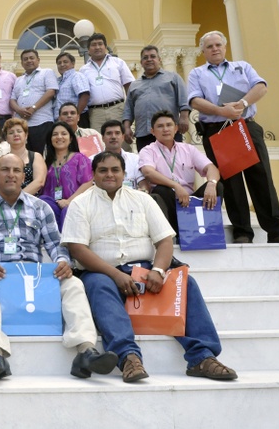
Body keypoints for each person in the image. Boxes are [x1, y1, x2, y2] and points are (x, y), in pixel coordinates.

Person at [62, 151, 238, 382]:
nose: (109, 174)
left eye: (115, 170)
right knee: (98, 286)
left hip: (143, 269)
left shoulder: (143, 199)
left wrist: (158, 270)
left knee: (186, 283)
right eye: (103, 170)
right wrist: (116, 275)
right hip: (102, 271)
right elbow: (78, 249)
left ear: (124, 173)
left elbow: (164, 240)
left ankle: (202, 357)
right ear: (93, 174)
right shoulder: (81, 204)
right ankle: (128, 357)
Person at [0, 154, 117, 380]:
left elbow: (56, 244)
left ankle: (85, 350)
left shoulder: (40, 207)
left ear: (23, 176)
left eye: (16, 170)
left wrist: (63, 262)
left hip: (34, 276)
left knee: (72, 282)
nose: (11, 175)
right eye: (5, 170)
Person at [188, 30, 279, 244]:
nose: (214, 49)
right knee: (231, 183)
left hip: (245, 126)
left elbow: (261, 86)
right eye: (209, 46)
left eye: (218, 45)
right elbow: (194, 100)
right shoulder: (197, 73)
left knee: (262, 178)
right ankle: (242, 232)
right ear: (203, 51)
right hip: (217, 129)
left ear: (224, 46)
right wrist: (221, 111)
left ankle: (277, 231)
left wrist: (243, 105)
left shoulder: (243, 67)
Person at [139, 110, 223, 236]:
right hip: (168, 199)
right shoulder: (148, 150)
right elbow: (148, 173)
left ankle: (207, 232)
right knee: (161, 190)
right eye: (160, 126)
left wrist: (211, 183)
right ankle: (177, 235)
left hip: (190, 199)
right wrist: (176, 186)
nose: (165, 129)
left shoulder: (188, 149)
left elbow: (211, 168)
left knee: (218, 186)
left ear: (176, 128)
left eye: (169, 125)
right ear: (153, 131)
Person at [93, 120, 167, 218]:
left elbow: (143, 185)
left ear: (123, 137)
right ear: (102, 138)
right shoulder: (91, 160)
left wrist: (143, 192)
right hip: (103, 202)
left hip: (132, 202)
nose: (113, 137)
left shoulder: (135, 158)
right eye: (109, 133)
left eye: (117, 133)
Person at [123, 45, 190, 152]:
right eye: (145, 57)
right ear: (141, 62)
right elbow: (128, 109)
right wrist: (126, 128)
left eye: (152, 56)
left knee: (172, 164)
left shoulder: (173, 78)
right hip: (143, 133)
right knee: (147, 165)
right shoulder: (134, 85)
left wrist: (184, 117)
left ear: (159, 59)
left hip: (168, 131)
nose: (149, 59)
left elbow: (183, 100)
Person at [41, 122, 93, 231]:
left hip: (75, 202)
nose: (59, 137)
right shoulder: (47, 163)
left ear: (71, 139)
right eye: (55, 134)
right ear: (50, 139)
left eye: (64, 134)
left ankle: (65, 244)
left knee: (68, 210)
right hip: (53, 204)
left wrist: (69, 201)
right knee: (42, 202)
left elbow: (88, 183)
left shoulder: (80, 158)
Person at [80, 33, 135, 134]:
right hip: (96, 113)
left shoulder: (118, 62)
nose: (97, 47)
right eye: (93, 45)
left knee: (121, 142)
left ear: (105, 47)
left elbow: (129, 86)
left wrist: (130, 109)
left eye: (100, 44)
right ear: (88, 50)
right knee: (99, 145)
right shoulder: (83, 70)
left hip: (117, 109)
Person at [9, 49, 58, 154]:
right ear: (22, 63)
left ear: (38, 60)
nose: (29, 61)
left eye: (32, 58)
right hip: (22, 124)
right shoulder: (19, 79)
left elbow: (50, 92)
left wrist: (33, 108)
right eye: (25, 59)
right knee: (23, 155)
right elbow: (12, 99)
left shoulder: (47, 72)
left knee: (41, 154)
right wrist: (19, 110)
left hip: (41, 122)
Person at [0, 118, 46, 196]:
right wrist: (1, 198)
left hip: (30, 199)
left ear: (26, 135)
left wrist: (18, 198)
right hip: (3, 200)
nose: (15, 134)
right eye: (11, 133)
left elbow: (39, 182)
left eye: (19, 131)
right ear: (7, 139)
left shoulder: (36, 156)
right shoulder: (0, 159)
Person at [54, 51, 91, 129]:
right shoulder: (59, 81)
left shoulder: (76, 76)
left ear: (73, 63)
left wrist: (76, 115)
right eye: (59, 63)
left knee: (79, 140)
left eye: (65, 62)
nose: (62, 65)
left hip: (77, 119)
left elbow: (84, 95)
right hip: (62, 120)